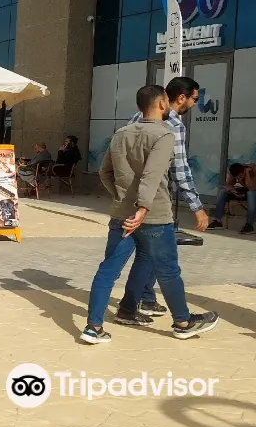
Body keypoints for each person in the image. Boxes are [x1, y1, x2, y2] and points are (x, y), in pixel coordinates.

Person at [81, 85, 219, 344]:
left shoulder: (121, 133)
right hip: (154, 216)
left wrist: (122, 197)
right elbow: (152, 175)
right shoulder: (164, 134)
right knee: (168, 271)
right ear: (162, 104)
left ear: (139, 107)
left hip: (122, 215)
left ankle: (94, 326)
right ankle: (183, 322)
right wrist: (143, 208)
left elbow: (104, 173)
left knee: (108, 270)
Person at [118, 77, 207, 322]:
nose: (195, 104)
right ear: (181, 98)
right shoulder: (174, 124)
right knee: (166, 264)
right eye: (194, 99)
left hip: (129, 201)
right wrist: (197, 207)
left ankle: (137, 303)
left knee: (142, 257)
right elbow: (180, 170)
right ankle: (183, 320)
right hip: (155, 203)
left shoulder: (135, 119)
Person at [207, 162, 256, 235]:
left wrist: (248, 174)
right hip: (247, 190)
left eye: (240, 176)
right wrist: (233, 191)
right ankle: (218, 221)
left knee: (251, 193)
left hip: (253, 190)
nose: (239, 179)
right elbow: (228, 184)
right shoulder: (234, 172)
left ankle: (249, 225)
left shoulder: (252, 170)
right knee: (223, 191)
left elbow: (252, 188)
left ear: (244, 171)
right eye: (237, 178)